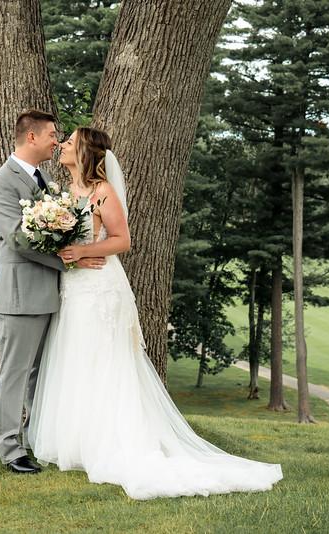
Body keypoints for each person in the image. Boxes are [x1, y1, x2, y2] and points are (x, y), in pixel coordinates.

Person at [28, 126, 284, 499]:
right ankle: (79, 441)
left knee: (106, 361)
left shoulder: (103, 192)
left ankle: (114, 442)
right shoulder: (63, 194)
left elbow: (123, 240)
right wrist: (61, 251)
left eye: (70, 142)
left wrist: (83, 252)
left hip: (100, 289)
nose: (63, 145)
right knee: (77, 358)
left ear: (85, 152)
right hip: (73, 287)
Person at [0, 110, 105, 474]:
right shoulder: (1, 183)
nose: (57, 141)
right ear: (32, 137)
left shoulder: (46, 180)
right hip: (20, 294)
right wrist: (70, 261)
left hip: (53, 293)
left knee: (42, 373)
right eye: (53, 135)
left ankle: (37, 439)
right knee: (15, 372)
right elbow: (18, 239)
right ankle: (11, 450)